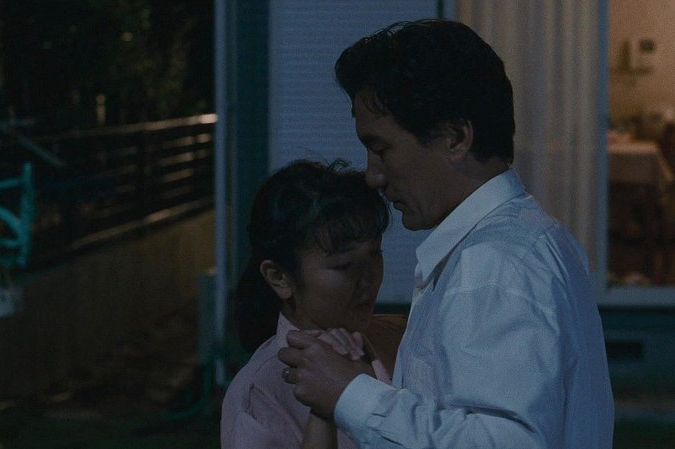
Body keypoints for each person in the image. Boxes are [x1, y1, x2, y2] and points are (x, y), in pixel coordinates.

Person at [277, 19, 614, 448]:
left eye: (381, 149)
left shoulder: (493, 263)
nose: (373, 176)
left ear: (455, 138)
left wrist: (351, 396)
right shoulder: (531, 239)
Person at [220, 159, 405, 449]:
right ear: (279, 277)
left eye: (375, 254)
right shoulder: (260, 393)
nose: (368, 279)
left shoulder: (398, 336)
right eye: (344, 266)